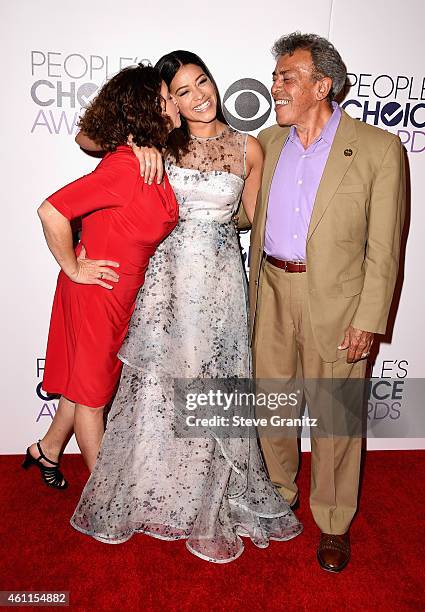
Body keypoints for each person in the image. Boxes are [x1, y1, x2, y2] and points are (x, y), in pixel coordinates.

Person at [71, 50, 302, 563]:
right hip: (164, 281)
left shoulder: (248, 148)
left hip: (220, 282)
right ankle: (153, 484)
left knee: (209, 381)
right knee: (158, 382)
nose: (199, 96)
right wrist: (135, 141)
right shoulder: (161, 144)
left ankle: (208, 491)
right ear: (169, 102)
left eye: (202, 83)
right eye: (182, 91)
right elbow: (87, 139)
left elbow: (256, 225)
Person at [248, 33, 406, 572]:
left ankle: (334, 522)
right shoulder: (266, 143)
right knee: (272, 405)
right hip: (270, 290)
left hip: (339, 303)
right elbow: (245, 217)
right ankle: (277, 495)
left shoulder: (379, 149)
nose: (275, 87)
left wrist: (369, 320)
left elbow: (385, 248)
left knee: (336, 420)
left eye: (286, 77)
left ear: (322, 85)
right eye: (274, 77)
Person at [23, 64, 180, 488]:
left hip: (118, 294)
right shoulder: (126, 168)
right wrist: (73, 267)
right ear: (148, 108)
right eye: (167, 96)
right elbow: (51, 210)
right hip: (96, 292)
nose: (174, 103)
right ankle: (106, 499)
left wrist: (146, 145)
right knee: (94, 399)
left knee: (86, 383)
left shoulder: (146, 160)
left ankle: (47, 450)